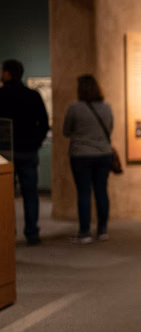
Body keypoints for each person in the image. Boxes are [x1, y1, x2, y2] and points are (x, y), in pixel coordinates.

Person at [0, 59, 50, 244]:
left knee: (5, 196)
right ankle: (31, 232)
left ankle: (6, 233)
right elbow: (44, 123)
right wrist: (36, 142)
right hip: (28, 151)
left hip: (5, 154)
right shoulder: (32, 95)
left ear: (8, 73)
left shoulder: (1, 95)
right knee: (30, 195)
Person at [62, 75, 114, 244]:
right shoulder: (106, 108)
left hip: (81, 155)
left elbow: (66, 131)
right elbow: (110, 128)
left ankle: (84, 232)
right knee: (101, 192)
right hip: (103, 154)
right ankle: (102, 230)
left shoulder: (74, 109)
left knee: (84, 193)